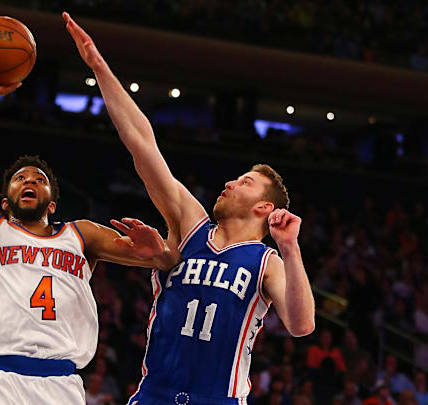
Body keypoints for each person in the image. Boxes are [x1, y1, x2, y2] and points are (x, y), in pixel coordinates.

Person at [63, 12, 315, 405]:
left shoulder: (267, 262)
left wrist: (291, 247)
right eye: (234, 178)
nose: (230, 183)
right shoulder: (190, 225)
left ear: (265, 207)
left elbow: (301, 325)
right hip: (154, 396)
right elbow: (141, 142)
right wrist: (98, 64)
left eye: (244, 182)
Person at [0, 59, 179, 404]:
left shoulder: (82, 236)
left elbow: (167, 261)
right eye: (20, 179)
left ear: (53, 204)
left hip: (59, 385)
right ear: (6, 202)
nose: (29, 181)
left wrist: (159, 252)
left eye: (39, 180)